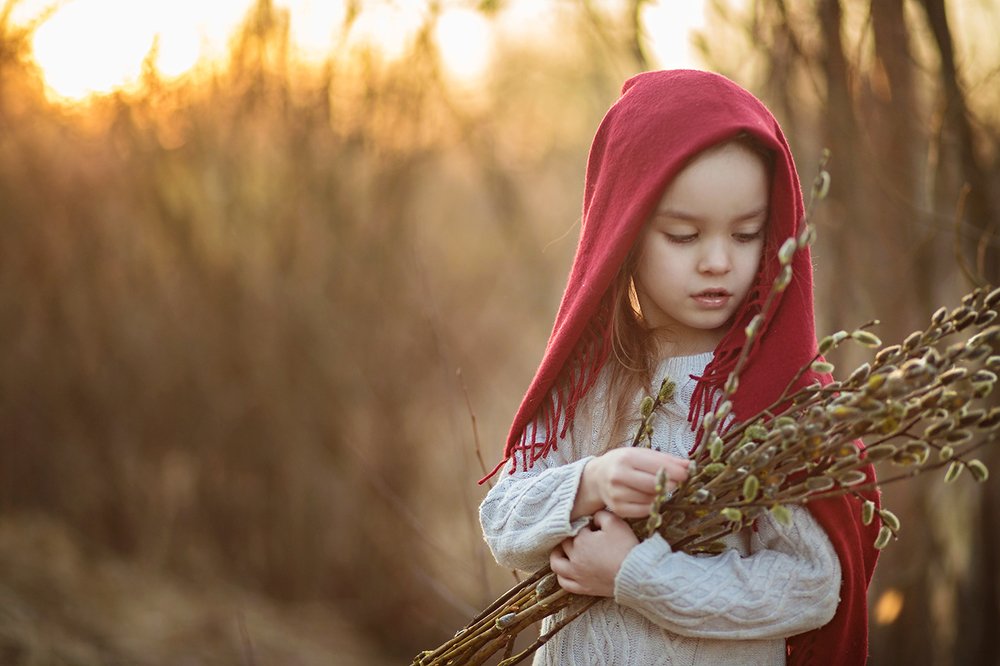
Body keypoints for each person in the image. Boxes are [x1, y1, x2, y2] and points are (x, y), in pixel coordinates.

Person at [478, 70, 880, 665]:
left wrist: (638, 575)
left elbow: (811, 586)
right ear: (625, 231)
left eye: (747, 234)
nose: (718, 261)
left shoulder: (775, 400)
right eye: (684, 234)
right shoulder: (587, 379)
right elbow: (503, 519)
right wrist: (588, 483)